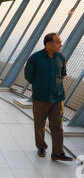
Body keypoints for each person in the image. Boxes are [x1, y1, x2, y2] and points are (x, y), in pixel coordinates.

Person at [25, 33, 73, 162]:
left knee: (57, 126)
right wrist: (40, 85)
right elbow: (28, 75)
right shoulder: (36, 58)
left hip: (57, 98)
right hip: (40, 98)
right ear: (48, 44)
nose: (60, 45)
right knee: (39, 124)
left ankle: (58, 152)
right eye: (58, 42)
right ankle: (41, 147)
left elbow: (62, 74)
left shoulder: (60, 57)